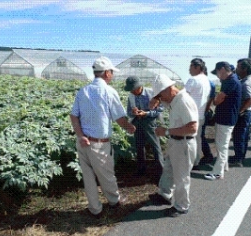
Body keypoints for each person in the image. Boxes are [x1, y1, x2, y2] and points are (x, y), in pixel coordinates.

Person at [70, 56, 136, 218]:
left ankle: (95, 209)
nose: (112, 75)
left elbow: (73, 116)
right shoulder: (108, 91)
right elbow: (120, 118)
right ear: (106, 73)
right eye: (111, 72)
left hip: (83, 142)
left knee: (88, 177)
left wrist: (80, 136)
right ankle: (114, 201)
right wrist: (131, 128)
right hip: (99, 144)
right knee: (106, 174)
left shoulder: (83, 91)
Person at [148, 74, 198, 217]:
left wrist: (166, 131)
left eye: (160, 94)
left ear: (169, 89)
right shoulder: (173, 99)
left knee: (181, 177)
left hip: (184, 143)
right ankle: (165, 194)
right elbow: (162, 100)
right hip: (176, 141)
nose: (160, 98)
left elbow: (193, 127)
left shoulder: (183, 101)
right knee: (169, 168)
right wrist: (156, 98)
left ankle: (182, 206)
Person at [204, 62, 242, 180]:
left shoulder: (230, 81)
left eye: (217, 73)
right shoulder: (233, 79)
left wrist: (215, 100)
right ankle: (224, 166)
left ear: (222, 70)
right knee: (222, 144)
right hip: (227, 117)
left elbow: (217, 100)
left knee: (222, 145)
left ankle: (218, 173)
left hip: (226, 118)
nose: (217, 76)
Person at [123, 76, 164, 178]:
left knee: (155, 146)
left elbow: (160, 110)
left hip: (150, 123)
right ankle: (141, 170)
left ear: (139, 87)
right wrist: (133, 112)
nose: (131, 92)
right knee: (139, 147)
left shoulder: (151, 94)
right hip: (137, 122)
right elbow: (129, 112)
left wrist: (146, 113)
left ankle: (162, 172)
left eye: (132, 89)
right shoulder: (131, 96)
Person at [184, 58, 211, 169]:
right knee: (197, 139)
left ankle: (188, 164)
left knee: (188, 140)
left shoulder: (193, 80)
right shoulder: (206, 80)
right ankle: (196, 162)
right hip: (200, 115)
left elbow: (183, 98)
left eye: (191, 66)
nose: (189, 69)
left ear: (197, 67)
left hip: (190, 116)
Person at [229, 58, 251, 167]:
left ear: (244, 69)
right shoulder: (247, 80)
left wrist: (240, 111)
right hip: (246, 114)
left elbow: (250, 99)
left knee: (239, 136)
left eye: (238, 66)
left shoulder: (245, 83)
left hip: (243, 114)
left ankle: (238, 159)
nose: (236, 68)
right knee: (242, 136)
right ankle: (239, 156)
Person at [200, 66, 216, 164]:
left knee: (199, 135)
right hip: (204, 112)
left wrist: (204, 111)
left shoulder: (208, 84)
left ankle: (207, 155)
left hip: (202, 113)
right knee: (199, 135)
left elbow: (210, 100)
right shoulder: (210, 83)